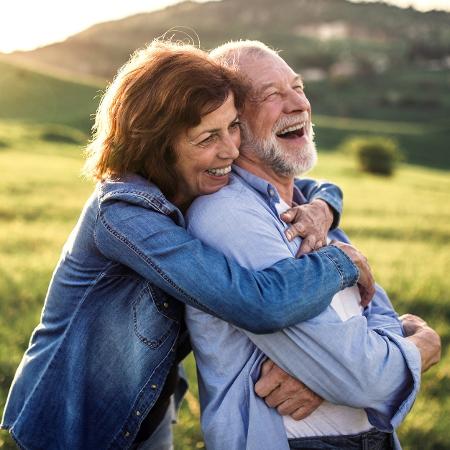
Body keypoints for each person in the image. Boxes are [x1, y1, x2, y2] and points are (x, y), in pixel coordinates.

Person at [0, 40, 375, 450]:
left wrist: (323, 208)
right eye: (207, 137)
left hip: (149, 411)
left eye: (232, 126)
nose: (231, 149)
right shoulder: (123, 214)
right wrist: (341, 262)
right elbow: (255, 303)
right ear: (159, 146)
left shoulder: (192, 182)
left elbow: (305, 185)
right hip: (75, 424)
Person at [185, 40, 441, 450]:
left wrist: (332, 377)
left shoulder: (310, 210)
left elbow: (378, 314)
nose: (297, 104)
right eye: (271, 95)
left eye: (298, 87)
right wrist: (421, 346)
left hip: (372, 437)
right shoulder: (228, 216)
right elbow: (362, 378)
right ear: (234, 123)